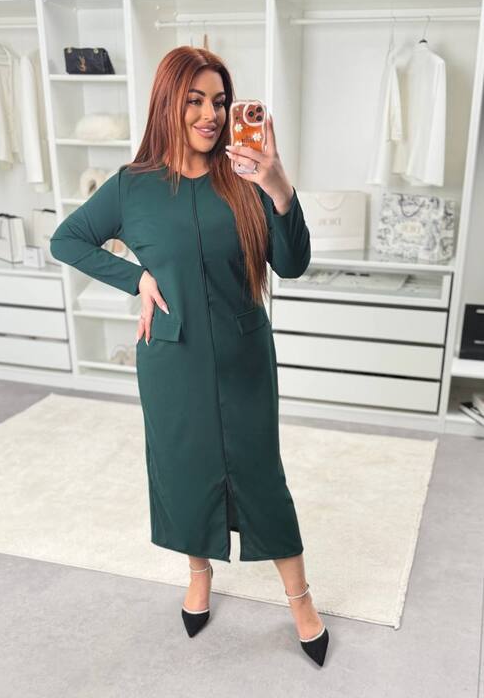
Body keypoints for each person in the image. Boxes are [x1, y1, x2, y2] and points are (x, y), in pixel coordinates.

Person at [50, 46, 329, 666]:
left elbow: (293, 264)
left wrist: (277, 182)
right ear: (168, 104)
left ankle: (301, 599)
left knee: (261, 475)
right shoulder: (134, 186)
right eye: (196, 100)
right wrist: (135, 279)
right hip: (171, 361)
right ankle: (198, 573)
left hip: (243, 355)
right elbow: (66, 240)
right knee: (183, 469)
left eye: (220, 102)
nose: (211, 115)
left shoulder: (246, 175)